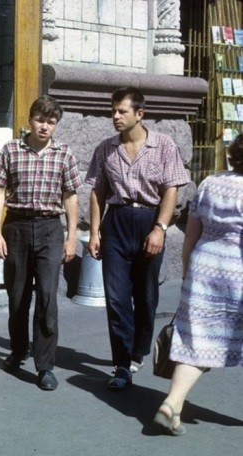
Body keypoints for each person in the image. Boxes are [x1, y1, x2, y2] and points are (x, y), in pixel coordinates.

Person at [85, 86, 189, 390]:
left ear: (139, 114)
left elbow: (171, 188)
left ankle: (138, 351)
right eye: (113, 111)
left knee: (145, 296)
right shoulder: (105, 149)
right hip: (115, 222)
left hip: (148, 221)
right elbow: (97, 191)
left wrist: (160, 228)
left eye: (122, 111)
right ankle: (122, 363)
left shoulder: (164, 145)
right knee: (116, 297)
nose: (115, 116)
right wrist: (94, 232)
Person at [0, 95, 81, 391]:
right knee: (17, 298)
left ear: (56, 125)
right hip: (16, 226)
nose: (44, 127)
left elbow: (70, 196)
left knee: (47, 298)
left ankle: (45, 366)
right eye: (40, 120)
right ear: (30, 119)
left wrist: (71, 237)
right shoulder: (12, 150)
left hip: (49, 230)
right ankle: (18, 350)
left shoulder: (64, 154)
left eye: (51, 122)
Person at [152, 136, 243, 436]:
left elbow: (191, 233)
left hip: (203, 269)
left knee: (196, 343)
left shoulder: (209, 184)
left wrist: (189, 273)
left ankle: (171, 404)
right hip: (236, 273)